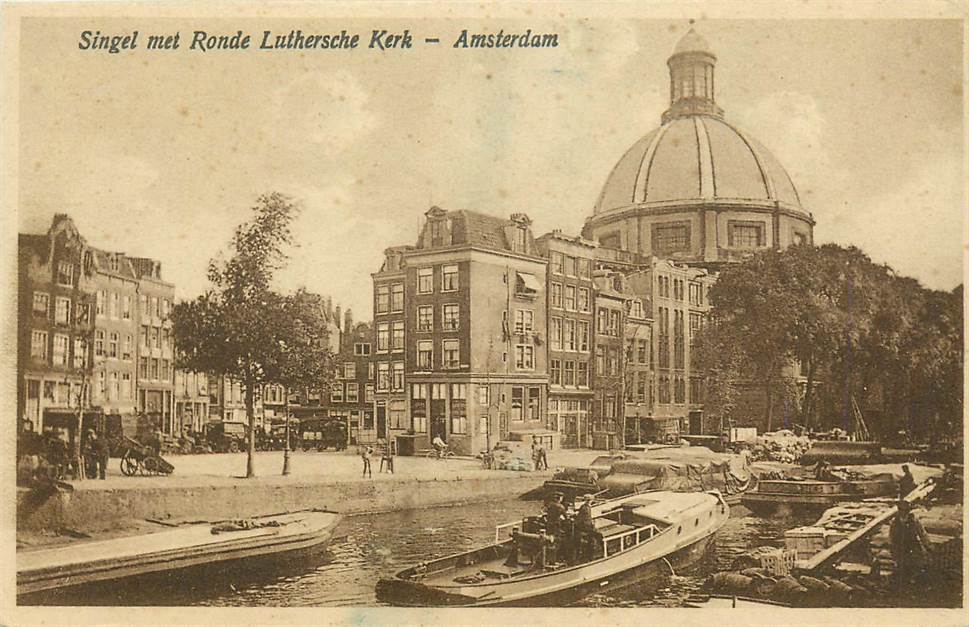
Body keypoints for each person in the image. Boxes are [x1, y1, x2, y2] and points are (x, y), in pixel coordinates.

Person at [890, 499, 930, 587]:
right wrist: (893, 549)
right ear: (899, 510)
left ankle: (913, 583)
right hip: (900, 546)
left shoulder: (914, 521)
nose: (903, 512)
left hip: (912, 545)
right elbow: (892, 536)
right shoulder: (895, 522)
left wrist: (927, 545)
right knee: (901, 565)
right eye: (901, 510)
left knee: (914, 564)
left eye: (905, 510)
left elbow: (922, 533)